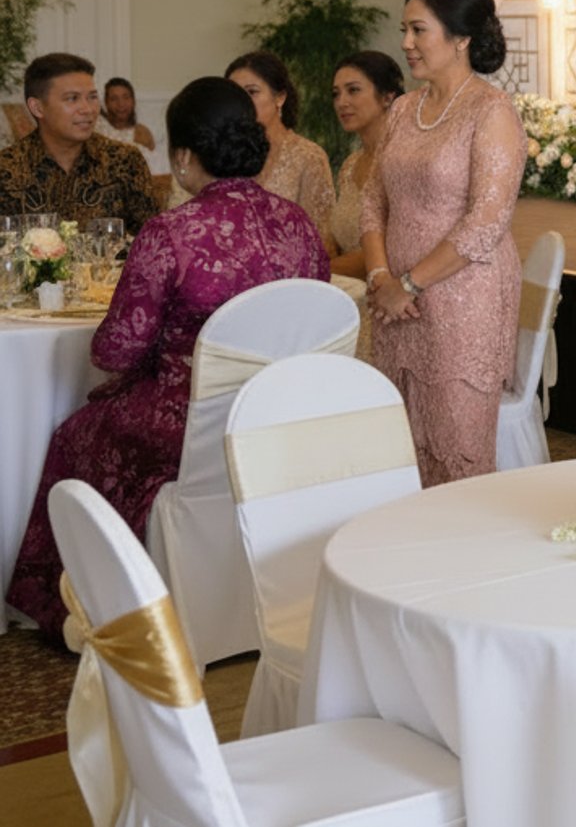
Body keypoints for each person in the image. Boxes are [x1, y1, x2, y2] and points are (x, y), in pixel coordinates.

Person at [4, 77, 330, 635]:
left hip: (191, 423)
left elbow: (113, 350)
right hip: (280, 414)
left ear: (182, 156)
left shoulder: (171, 232)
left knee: (75, 435)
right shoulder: (297, 224)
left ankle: (87, 611)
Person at [361, 0, 527, 486]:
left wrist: (408, 284)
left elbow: (486, 222)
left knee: (457, 451)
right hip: (395, 305)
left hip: (463, 302)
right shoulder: (404, 110)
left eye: (419, 30)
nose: (406, 44)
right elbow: (372, 199)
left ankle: (467, 559)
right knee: (398, 448)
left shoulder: (492, 111)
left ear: (461, 39)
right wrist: (380, 278)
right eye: (404, 30)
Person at [0, 53, 157, 233]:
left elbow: (151, 242)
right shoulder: (7, 169)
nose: (88, 109)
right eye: (72, 98)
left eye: (92, 97)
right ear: (37, 107)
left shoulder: (124, 160)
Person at [227, 51, 335, 245]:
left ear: (280, 97)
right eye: (235, 94)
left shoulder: (308, 156)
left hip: (294, 272)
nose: (242, 102)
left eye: (252, 92)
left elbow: (320, 238)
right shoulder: (223, 154)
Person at [328, 50, 405, 277]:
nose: (342, 102)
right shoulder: (350, 165)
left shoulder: (404, 160)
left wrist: (319, 272)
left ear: (387, 97)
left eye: (353, 90)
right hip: (349, 292)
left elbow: (396, 249)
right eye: (336, 94)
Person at [98, 77, 156, 152]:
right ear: (106, 103)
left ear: (133, 101)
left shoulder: (141, 133)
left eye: (126, 97)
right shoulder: (97, 127)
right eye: (114, 99)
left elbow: (150, 161)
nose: (121, 104)